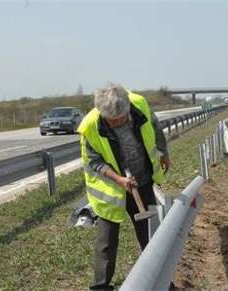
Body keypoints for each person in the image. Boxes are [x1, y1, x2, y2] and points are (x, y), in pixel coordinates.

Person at [77, 84, 170, 291]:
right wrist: (118, 179)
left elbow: (155, 128)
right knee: (106, 243)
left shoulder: (139, 105)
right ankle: (100, 287)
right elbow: (93, 161)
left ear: (128, 106)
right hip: (111, 191)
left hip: (143, 182)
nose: (119, 122)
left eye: (122, 117)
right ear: (102, 113)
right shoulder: (89, 126)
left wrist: (164, 152)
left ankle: (161, 280)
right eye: (113, 120)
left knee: (150, 233)